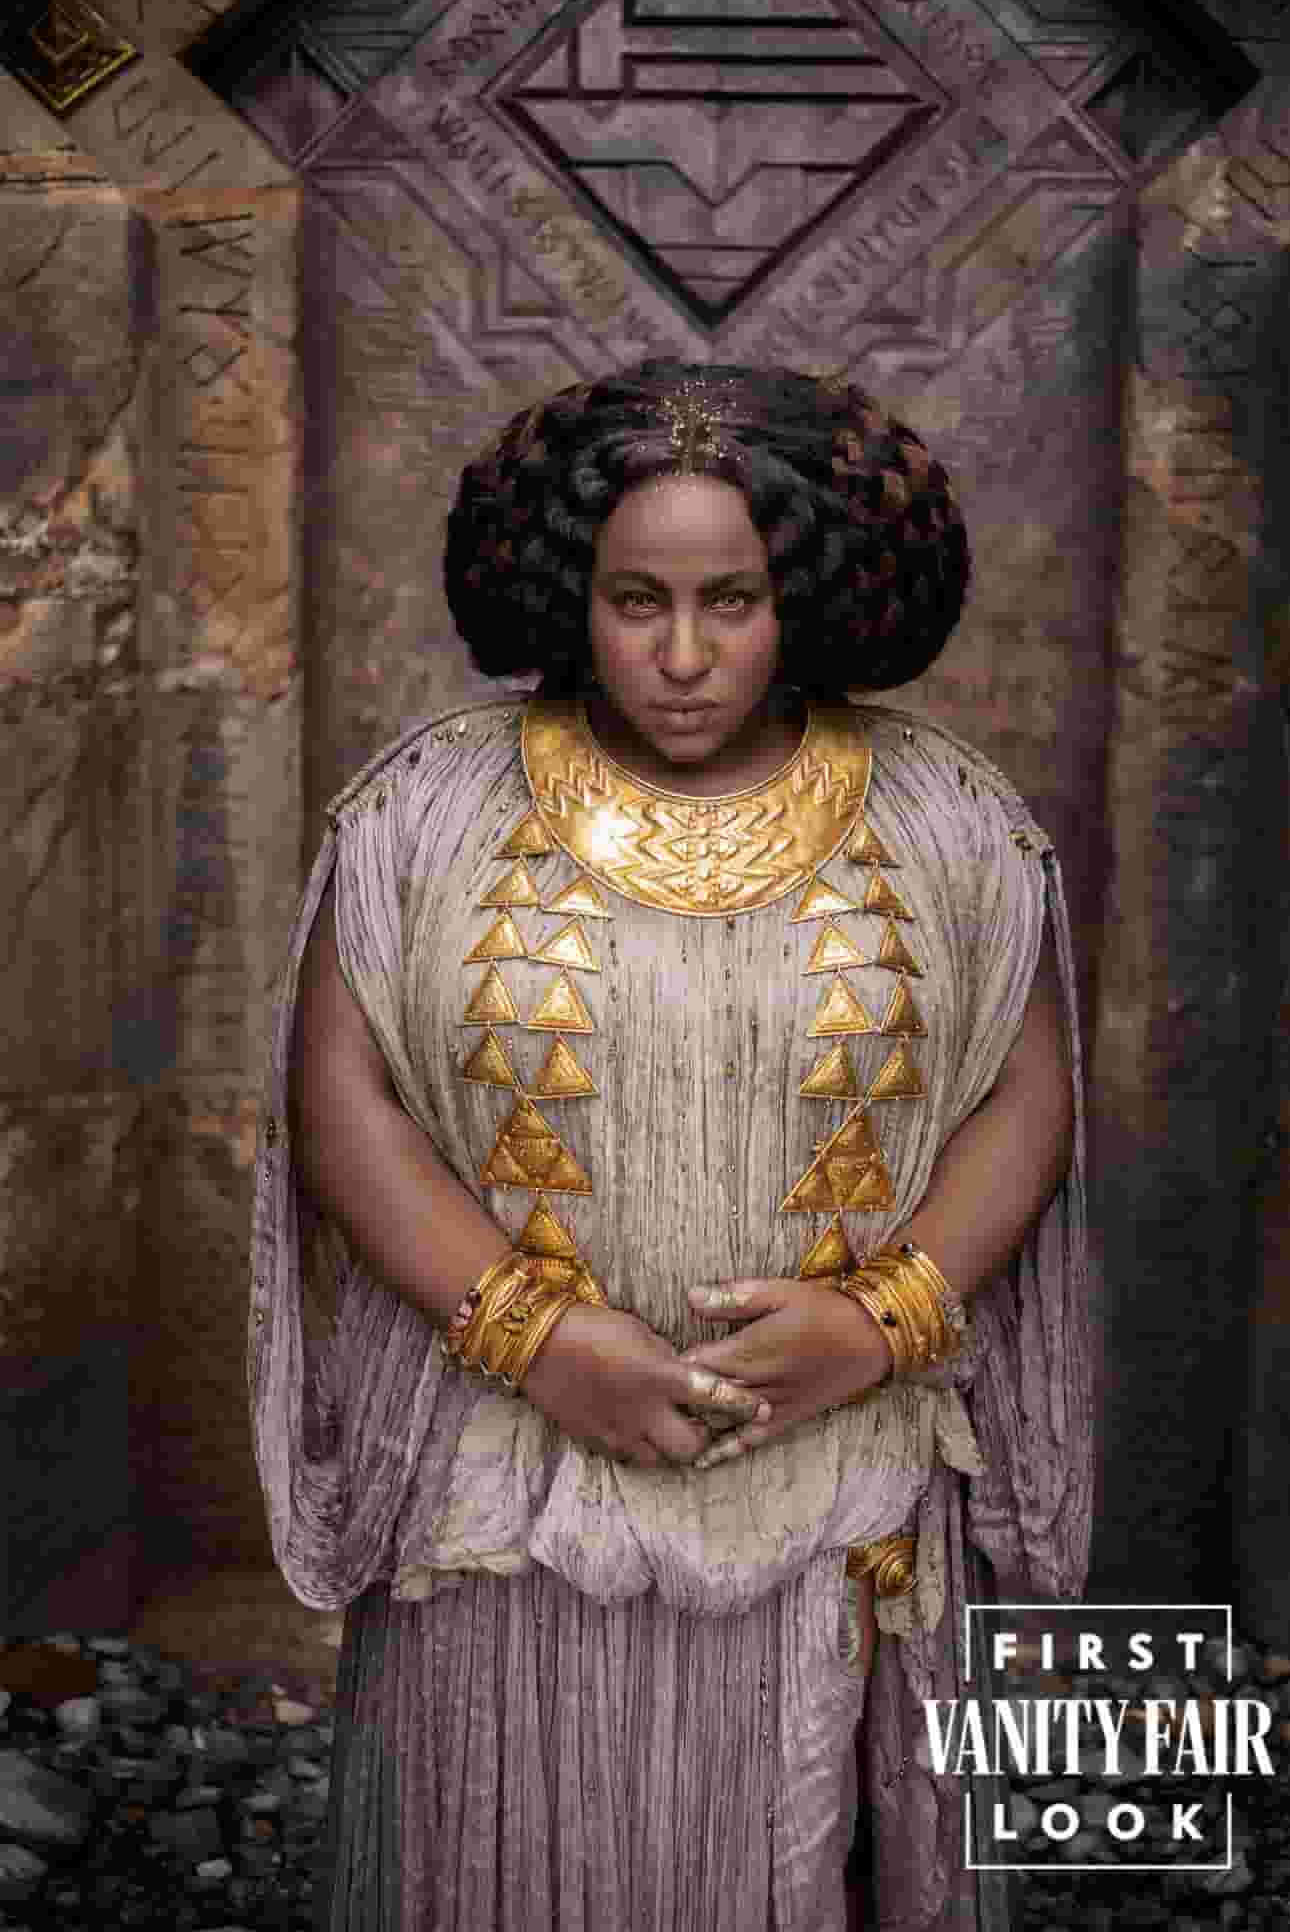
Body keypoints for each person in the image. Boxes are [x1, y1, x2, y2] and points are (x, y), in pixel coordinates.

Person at [247, 360, 1092, 1932]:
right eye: (636, 601)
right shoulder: (422, 808)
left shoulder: (949, 815)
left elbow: (1023, 1096)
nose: (684, 657)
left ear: (809, 596)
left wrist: (876, 1324)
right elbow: (342, 1099)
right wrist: (538, 1339)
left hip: (836, 1456)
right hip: (507, 1469)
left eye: (733, 601)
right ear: (566, 592)